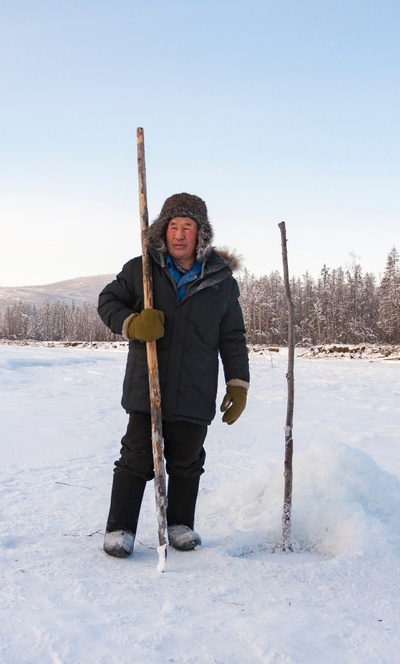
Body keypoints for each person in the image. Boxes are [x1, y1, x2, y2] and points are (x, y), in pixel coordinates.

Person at [97, 192, 250, 558]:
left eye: (188, 227)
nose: (179, 235)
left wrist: (238, 382)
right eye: (173, 227)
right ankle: (120, 529)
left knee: (187, 458)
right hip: (147, 383)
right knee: (136, 456)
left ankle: (180, 524)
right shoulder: (141, 270)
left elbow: (232, 336)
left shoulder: (221, 281)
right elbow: (107, 302)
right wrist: (132, 323)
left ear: (202, 235)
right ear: (162, 231)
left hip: (196, 386)